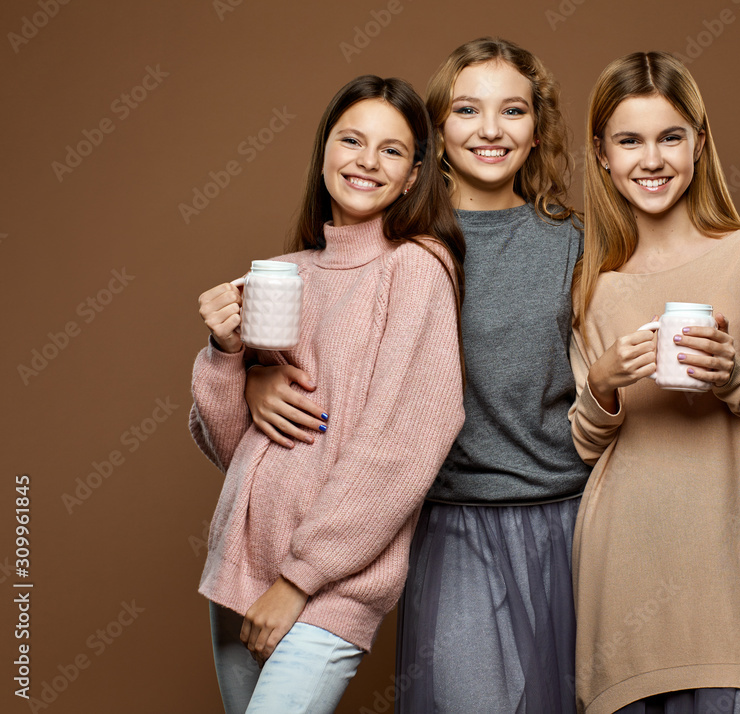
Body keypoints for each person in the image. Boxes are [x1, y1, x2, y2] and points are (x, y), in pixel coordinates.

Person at [242, 37, 588, 713]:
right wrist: (252, 370)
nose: (490, 130)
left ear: (538, 126)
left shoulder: (574, 243)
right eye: (466, 109)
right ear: (434, 130)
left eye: (512, 110)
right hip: (449, 522)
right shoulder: (392, 248)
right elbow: (323, 338)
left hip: (564, 522)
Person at [569, 52, 740, 714]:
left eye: (671, 136)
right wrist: (603, 386)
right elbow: (584, 446)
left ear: (700, 142)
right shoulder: (597, 289)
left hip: (738, 579)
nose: (651, 158)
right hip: (623, 579)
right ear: (603, 156)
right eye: (629, 140)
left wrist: (737, 378)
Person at [188, 74, 465, 714]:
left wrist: (296, 580)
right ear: (324, 153)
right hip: (239, 567)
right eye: (351, 140)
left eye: (391, 151)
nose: (367, 162)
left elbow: (400, 448)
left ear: (414, 174)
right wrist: (227, 357)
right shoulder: (285, 275)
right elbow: (236, 449)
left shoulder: (417, 268)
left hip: (326, 584)